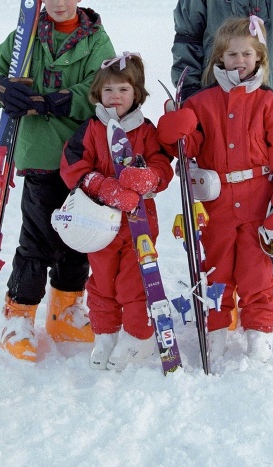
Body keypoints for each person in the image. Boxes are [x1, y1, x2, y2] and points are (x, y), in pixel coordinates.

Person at [0, 0, 115, 361]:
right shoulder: (26, 34)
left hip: (81, 158)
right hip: (38, 154)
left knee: (78, 238)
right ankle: (18, 316)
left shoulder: (95, 39)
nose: (58, 3)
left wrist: (64, 99)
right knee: (37, 240)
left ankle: (65, 310)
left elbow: (104, 85)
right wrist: (1, 88)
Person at [158, 16, 273, 365]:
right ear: (219, 58)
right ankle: (216, 328)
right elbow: (187, 147)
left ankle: (259, 332)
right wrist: (175, 126)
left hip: (258, 201)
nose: (239, 61)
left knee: (257, 271)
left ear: (260, 59)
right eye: (231, 54)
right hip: (215, 203)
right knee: (215, 269)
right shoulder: (201, 102)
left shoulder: (269, 102)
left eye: (247, 54)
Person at [60, 53, 174, 372]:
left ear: (136, 92)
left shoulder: (146, 130)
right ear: (98, 93)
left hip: (139, 225)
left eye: (123, 89)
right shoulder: (92, 129)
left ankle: (139, 337)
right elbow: (72, 165)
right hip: (101, 225)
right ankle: (106, 334)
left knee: (134, 282)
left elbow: (163, 163)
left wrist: (150, 176)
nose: (116, 97)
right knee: (103, 283)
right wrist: (101, 186)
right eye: (108, 90)